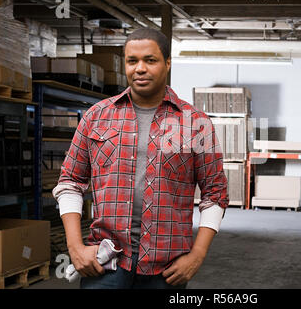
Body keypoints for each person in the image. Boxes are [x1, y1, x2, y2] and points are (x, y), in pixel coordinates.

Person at [52, 28, 229, 289]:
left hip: (166, 270)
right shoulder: (96, 116)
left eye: (150, 60)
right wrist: (75, 246)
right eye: (132, 61)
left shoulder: (196, 124)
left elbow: (215, 193)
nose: (140, 68)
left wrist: (198, 255)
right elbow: (70, 182)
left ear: (167, 63)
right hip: (106, 264)